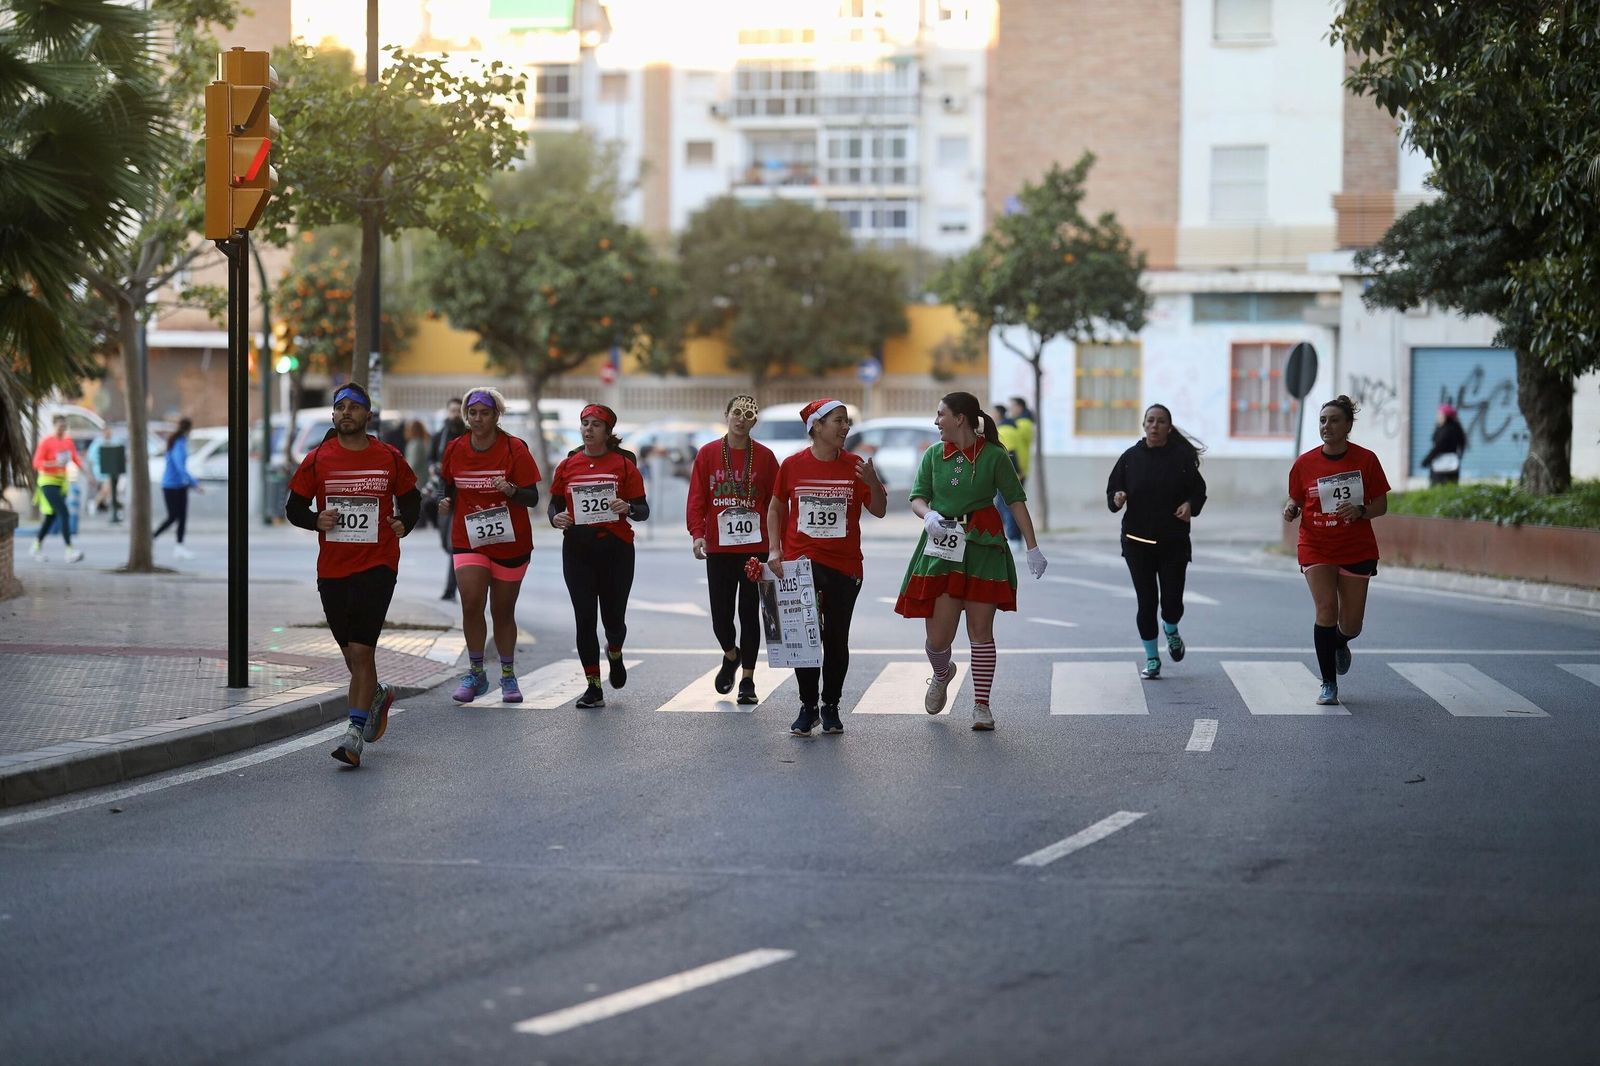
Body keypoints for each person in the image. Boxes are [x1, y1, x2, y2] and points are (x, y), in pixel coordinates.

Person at [284, 383, 422, 767]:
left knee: (362, 651)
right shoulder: (318, 458)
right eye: (340, 407)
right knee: (352, 655)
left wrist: (403, 522)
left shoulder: (388, 456)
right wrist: (316, 520)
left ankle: (353, 736)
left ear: (368, 416)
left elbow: (412, 498)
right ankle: (376, 695)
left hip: (378, 563)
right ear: (332, 416)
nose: (346, 412)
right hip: (332, 569)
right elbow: (294, 507)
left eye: (354, 407)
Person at [896, 392, 1047, 732]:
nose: (936, 422)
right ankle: (941, 673)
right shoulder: (934, 455)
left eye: (941, 415)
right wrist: (929, 514)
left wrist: (1032, 547)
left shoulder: (994, 455)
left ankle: (981, 705)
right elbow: (917, 497)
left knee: (981, 633)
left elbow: (1016, 501)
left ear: (959, 418)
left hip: (984, 545)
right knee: (938, 639)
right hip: (943, 547)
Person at [767, 398, 888, 737]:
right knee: (805, 637)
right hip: (800, 563)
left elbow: (878, 509)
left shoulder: (855, 465)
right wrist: (775, 548)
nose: (845, 428)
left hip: (844, 565)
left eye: (847, 421)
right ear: (816, 427)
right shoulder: (792, 465)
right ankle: (808, 706)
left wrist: (874, 481)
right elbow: (775, 508)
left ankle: (830, 705)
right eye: (838, 421)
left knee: (836, 637)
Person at [1282, 395, 1390, 707]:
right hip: (1316, 545)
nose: (1326, 426)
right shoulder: (1304, 463)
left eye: (1334, 420)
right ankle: (1328, 683)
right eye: (1322, 420)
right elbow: (1296, 499)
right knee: (1326, 610)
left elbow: (1381, 505)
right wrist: (1290, 509)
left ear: (1348, 426)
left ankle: (1340, 642)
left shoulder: (1366, 460)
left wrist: (1360, 510)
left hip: (1356, 547)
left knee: (1351, 625)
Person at [436, 388, 542, 704]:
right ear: (466, 416)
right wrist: (445, 501)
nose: (478, 418)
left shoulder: (514, 449)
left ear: (496, 415)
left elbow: (533, 497)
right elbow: (449, 487)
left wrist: (511, 490)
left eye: (484, 413)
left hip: (511, 542)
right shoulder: (455, 448)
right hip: (469, 539)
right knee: (470, 602)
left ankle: (508, 676)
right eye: (473, 413)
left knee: (502, 610)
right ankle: (476, 672)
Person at [548, 404, 649, 709]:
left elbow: (643, 510)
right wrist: (557, 518)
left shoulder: (623, 464)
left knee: (614, 619)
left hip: (616, 550)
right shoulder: (567, 466)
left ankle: (615, 651)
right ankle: (593, 686)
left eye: (595, 425)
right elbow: (553, 506)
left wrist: (627, 508)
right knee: (584, 619)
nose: (588, 429)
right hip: (578, 550)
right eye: (584, 424)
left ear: (607, 432)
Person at [687, 395, 780, 706]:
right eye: (736, 413)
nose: (742, 419)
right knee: (720, 617)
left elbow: (776, 504)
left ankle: (748, 680)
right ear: (726, 414)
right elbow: (697, 498)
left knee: (750, 614)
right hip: (719, 547)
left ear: (755, 421)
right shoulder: (709, 454)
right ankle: (731, 654)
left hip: (756, 548)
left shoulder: (766, 457)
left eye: (749, 415)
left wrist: (778, 544)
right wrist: (698, 534)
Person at [1106, 404, 1208, 679]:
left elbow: (1199, 491)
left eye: (1161, 421)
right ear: (1143, 425)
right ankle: (1152, 658)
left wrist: (1189, 505)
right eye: (1150, 421)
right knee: (1147, 602)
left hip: (1173, 542)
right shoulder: (1130, 458)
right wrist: (1117, 498)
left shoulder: (1180, 459)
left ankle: (1171, 629)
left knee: (1172, 602)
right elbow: (1113, 490)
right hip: (1136, 541)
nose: (1155, 426)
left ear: (1168, 427)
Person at [31, 415, 93, 563]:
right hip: (47, 483)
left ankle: (35, 547)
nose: (62, 430)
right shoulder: (46, 442)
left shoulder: (68, 442)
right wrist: (54, 463)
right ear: (54, 426)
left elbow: (75, 459)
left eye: (64, 427)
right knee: (64, 513)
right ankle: (69, 551)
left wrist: (89, 475)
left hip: (61, 484)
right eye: (59, 427)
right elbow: (36, 463)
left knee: (50, 518)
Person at [429, 399, 467, 600]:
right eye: (452, 410)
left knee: (455, 546)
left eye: (458, 411)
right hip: (444, 497)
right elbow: (431, 459)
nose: (455, 414)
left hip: (464, 499)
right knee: (447, 543)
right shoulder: (439, 437)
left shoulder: (470, 436)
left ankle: (451, 589)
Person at [152, 418, 202, 560]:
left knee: (182, 518)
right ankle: (153, 537)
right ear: (188, 429)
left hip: (178, 485)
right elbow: (180, 467)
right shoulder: (178, 444)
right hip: (172, 486)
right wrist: (194, 483)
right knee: (173, 516)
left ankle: (179, 547)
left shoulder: (177, 442)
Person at [994, 403, 1024, 546]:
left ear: (998, 414)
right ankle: (1013, 537)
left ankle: (1013, 538)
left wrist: (1015, 473)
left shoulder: (1004, 430)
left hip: (1007, 475)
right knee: (1008, 505)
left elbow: (1011, 454)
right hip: (1014, 474)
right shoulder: (1011, 428)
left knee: (1008, 506)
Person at [1420, 403, 1467, 486]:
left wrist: (1426, 460)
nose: (1438, 417)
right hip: (1453, 464)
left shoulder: (1445, 430)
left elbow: (1438, 447)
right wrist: (1458, 456)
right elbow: (1463, 443)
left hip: (1440, 466)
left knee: (1438, 488)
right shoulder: (1456, 428)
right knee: (1452, 487)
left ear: (1446, 417)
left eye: (1440, 415)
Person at [87, 425, 115, 515]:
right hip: (100, 468)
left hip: (109, 468)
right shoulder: (98, 442)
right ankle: (94, 504)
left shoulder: (111, 442)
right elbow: (91, 457)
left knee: (107, 489)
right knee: (107, 488)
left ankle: (102, 504)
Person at [404, 419, 431, 483]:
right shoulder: (421, 442)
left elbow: (412, 463)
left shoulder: (415, 444)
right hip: (421, 476)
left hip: (416, 478)